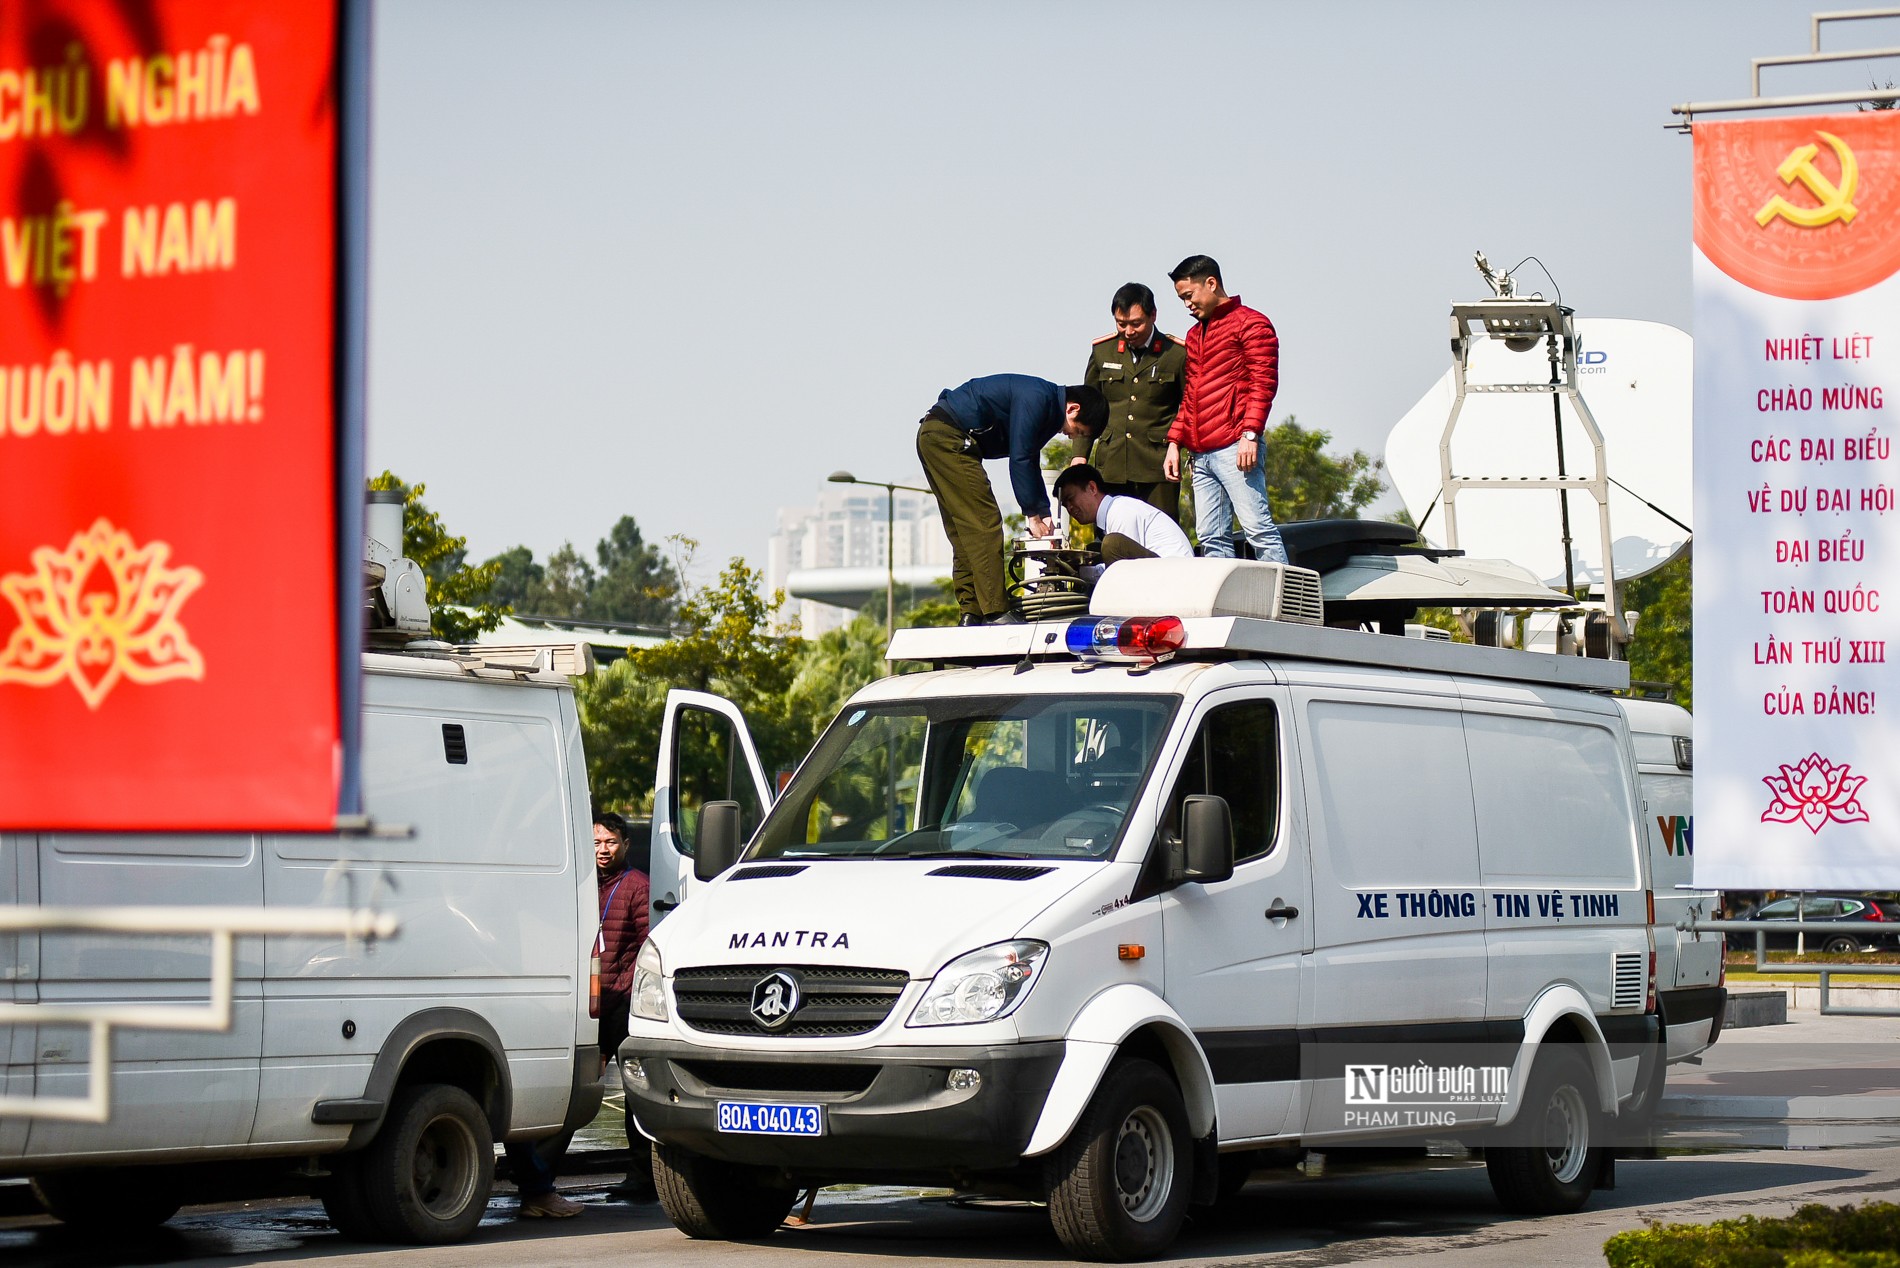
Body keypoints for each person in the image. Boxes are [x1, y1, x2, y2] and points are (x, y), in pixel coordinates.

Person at [916, 374, 1107, 624]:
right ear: (1073, 409)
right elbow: (1021, 458)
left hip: (934, 434)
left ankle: (971, 612)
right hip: (950, 437)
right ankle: (996, 612)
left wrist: (1043, 511)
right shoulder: (1039, 399)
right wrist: (1032, 513)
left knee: (965, 531)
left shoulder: (1045, 403)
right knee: (984, 523)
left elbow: (1029, 458)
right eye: (1077, 431)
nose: (1070, 437)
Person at [1162, 255, 1288, 564]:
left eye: (1189, 296)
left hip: (1236, 446)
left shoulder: (1252, 323)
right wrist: (1174, 442)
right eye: (1182, 299)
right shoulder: (1194, 336)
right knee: (1210, 537)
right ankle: (1226, 605)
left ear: (1211, 283)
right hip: (1201, 455)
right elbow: (1191, 392)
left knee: (1258, 530)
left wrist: (1250, 434)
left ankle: (1289, 607)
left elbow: (1264, 383)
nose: (1187, 305)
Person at [1076, 282, 1187, 519]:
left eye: (1136, 323)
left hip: (1157, 465)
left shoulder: (1175, 354)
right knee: (1112, 538)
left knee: (1160, 537)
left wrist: (1177, 446)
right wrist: (1079, 455)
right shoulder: (1102, 351)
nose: (1128, 331)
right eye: (1121, 323)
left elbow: (1188, 406)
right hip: (1112, 464)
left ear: (1153, 315)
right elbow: (1087, 408)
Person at [593, 811, 655, 1202]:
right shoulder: (582, 886)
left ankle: (643, 1176)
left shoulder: (637, 887)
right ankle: (538, 1180)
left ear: (626, 845)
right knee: (577, 1087)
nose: (603, 850)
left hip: (622, 1004)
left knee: (635, 1094)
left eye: (610, 842)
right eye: (597, 842)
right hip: (590, 1002)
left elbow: (648, 945)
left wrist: (623, 986)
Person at [1053, 463, 1193, 579]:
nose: (1070, 508)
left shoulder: (1120, 510)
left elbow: (1124, 569)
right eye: (1065, 505)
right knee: (1095, 550)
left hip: (1175, 578)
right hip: (1166, 573)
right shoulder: (1114, 511)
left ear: (1092, 488)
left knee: (1112, 544)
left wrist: (1077, 572)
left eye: (1071, 498)